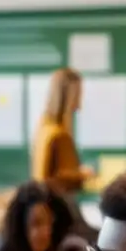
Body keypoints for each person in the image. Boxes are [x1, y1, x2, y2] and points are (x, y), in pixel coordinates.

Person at [30, 67, 97, 241]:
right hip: (60, 211)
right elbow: (54, 178)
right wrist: (83, 174)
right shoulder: (59, 135)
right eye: (78, 94)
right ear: (68, 96)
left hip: (47, 208)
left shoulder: (43, 129)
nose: (79, 103)